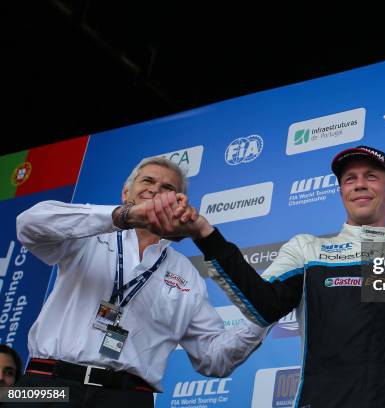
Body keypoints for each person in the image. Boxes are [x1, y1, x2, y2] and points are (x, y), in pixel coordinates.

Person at [144, 67, 385, 407]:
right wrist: (205, 234)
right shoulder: (308, 251)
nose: (360, 184)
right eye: (350, 179)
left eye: (372, 176)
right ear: (341, 192)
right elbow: (262, 306)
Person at [14, 157, 266, 407]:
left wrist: (262, 317)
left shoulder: (186, 273)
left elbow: (212, 359)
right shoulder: (86, 235)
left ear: (179, 204)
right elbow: (27, 224)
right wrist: (125, 216)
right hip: (44, 385)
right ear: (126, 193)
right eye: (148, 180)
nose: (156, 189)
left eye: (168, 188)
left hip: (126, 398)